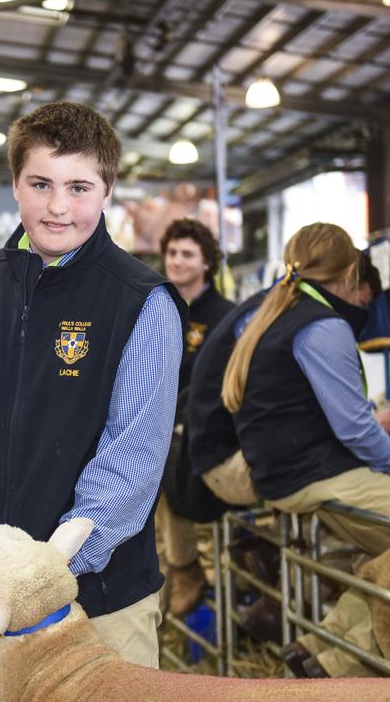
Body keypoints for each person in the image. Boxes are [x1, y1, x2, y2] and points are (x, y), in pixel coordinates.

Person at [0, 101, 186, 701]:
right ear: (15, 185)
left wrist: (41, 572)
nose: (59, 206)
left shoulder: (139, 300)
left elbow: (130, 459)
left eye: (79, 187)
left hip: (92, 602)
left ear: (108, 190)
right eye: (42, 184)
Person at [220, 223, 390, 678]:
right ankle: (341, 660)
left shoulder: (274, 315)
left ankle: (319, 652)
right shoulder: (324, 326)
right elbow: (356, 427)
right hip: (318, 472)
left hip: (283, 475)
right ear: (349, 272)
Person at [153, 218, 236, 614]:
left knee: (168, 472)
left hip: (205, 430)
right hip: (160, 424)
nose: (177, 261)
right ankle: (172, 568)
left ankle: (184, 567)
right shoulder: (156, 305)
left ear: (207, 263)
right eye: (172, 253)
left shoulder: (225, 316)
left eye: (188, 254)